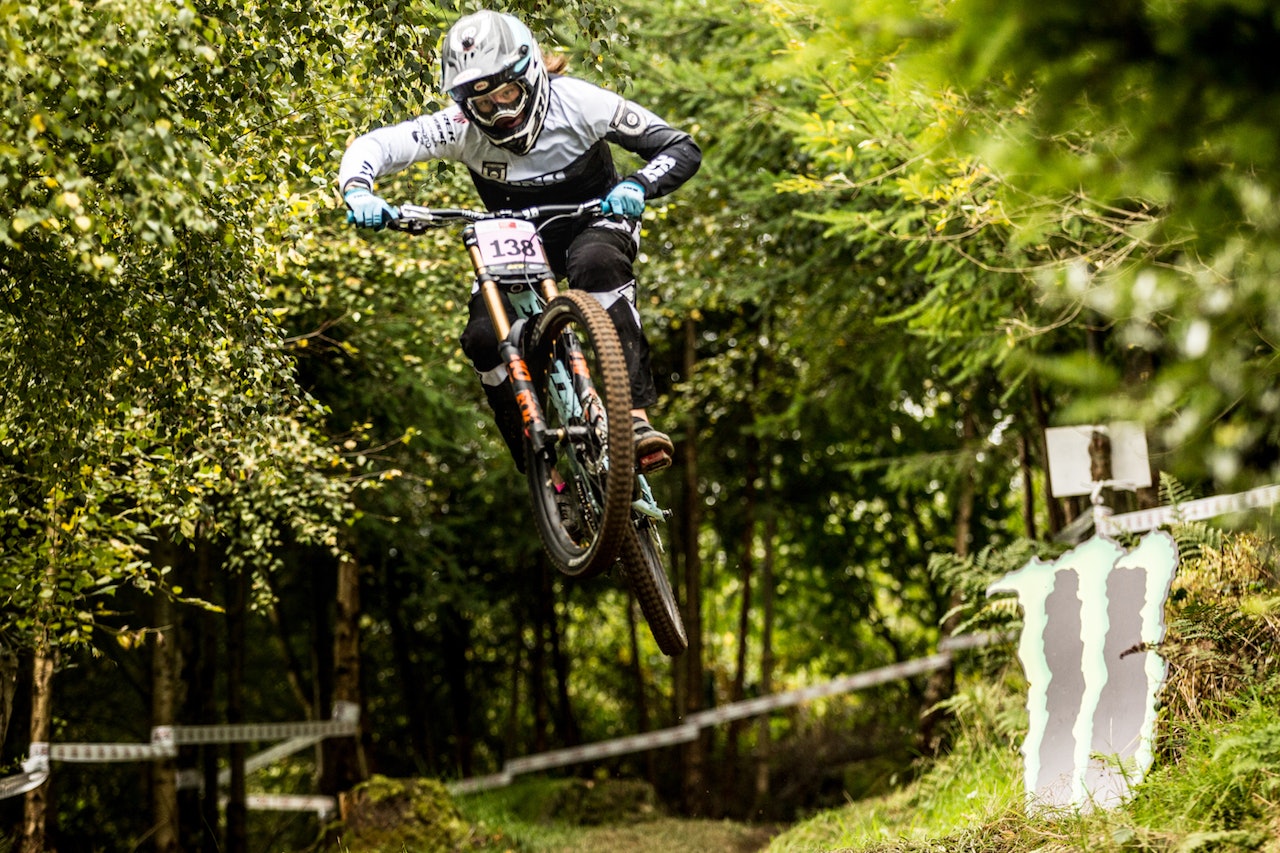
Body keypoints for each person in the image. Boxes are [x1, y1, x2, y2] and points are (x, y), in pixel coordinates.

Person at [338, 10, 701, 474]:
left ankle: (634, 418)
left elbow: (679, 146)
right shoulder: (459, 128)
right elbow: (379, 145)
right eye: (484, 105)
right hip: (519, 236)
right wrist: (358, 190)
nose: (501, 111)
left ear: (529, 75)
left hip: (596, 217)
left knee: (597, 264)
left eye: (507, 93)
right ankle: (540, 470)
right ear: (467, 105)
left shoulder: (581, 103)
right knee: (484, 338)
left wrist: (636, 186)